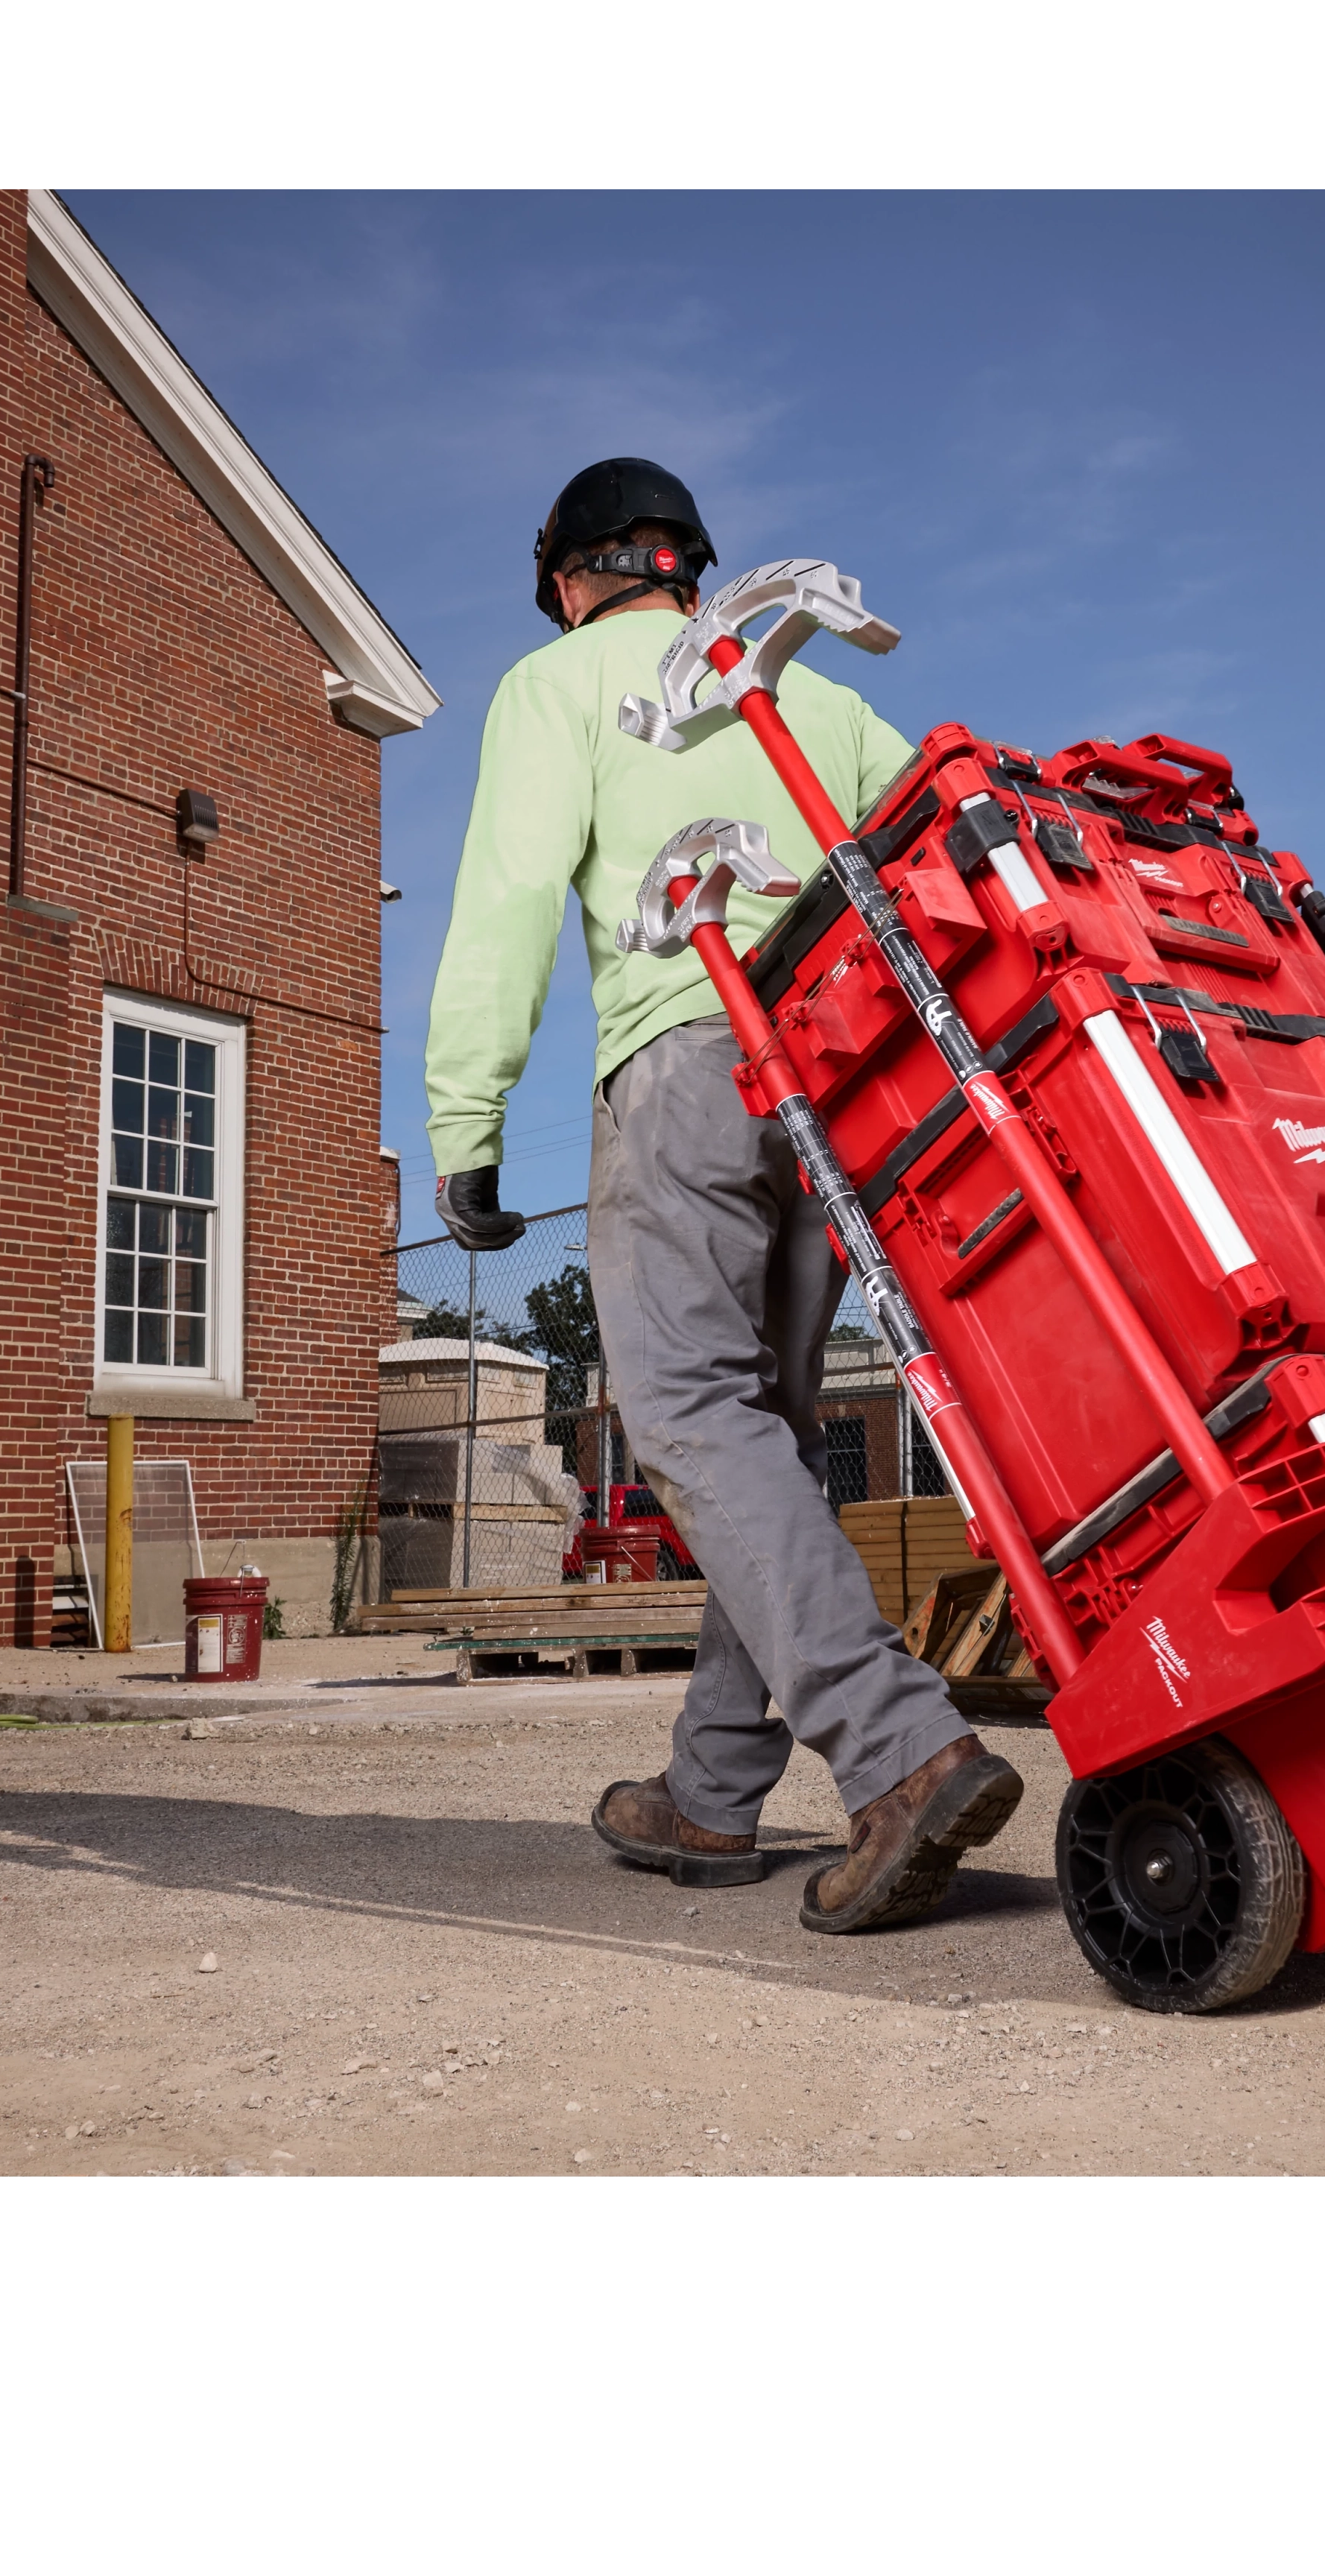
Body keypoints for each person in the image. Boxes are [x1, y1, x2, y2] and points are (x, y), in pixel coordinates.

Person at [424, 458, 1023, 1930]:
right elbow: (956, 823)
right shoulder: (801, 689)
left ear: (567, 574)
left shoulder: (556, 682)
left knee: (689, 1415)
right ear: (690, 564)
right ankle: (711, 1788)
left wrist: (464, 1118)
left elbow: (505, 896)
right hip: (839, 1071)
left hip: (685, 1054)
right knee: (756, 1429)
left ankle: (897, 1749)